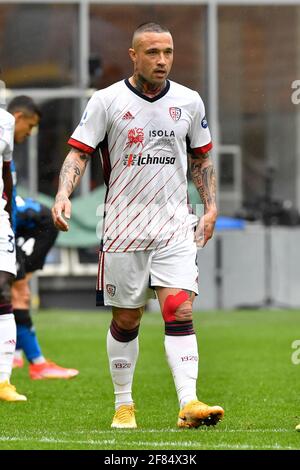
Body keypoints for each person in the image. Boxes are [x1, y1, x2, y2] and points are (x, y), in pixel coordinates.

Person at [52, 22, 224, 428]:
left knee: (179, 309)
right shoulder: (106, 101)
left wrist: (211, 206)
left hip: (174, 226)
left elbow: (201, 159)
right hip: (123, 227)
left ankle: (190, 403)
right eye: (152, 52)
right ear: (133, 55)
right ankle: (124, 405)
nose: (161, 60)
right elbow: (78, 154)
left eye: (167, 52)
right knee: (127, 320)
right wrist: (63, 193)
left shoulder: (190, 101)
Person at [7, 96, 79, 380]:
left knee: (18, 291)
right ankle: (33, 362)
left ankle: (26, 358)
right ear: (19, 117)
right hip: (4, 231)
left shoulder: (8, 149)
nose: (31, 133)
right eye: (31, 126)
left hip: (9, 230)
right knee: (18, 293)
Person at [0, 103, 26, 401]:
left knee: (3, 289)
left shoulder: (5, 120)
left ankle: (3, 381)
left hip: (0, 218)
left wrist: (8, 213)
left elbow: (6, 172)